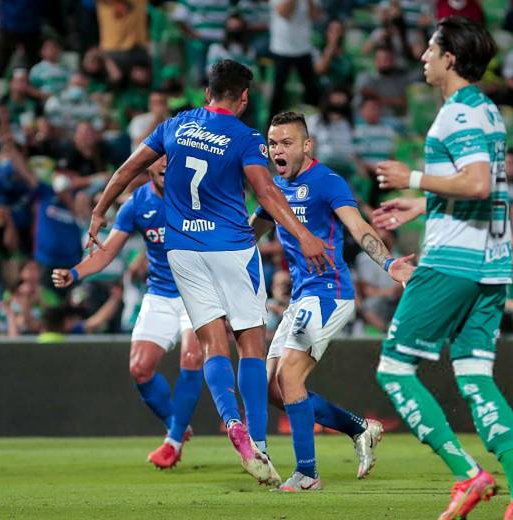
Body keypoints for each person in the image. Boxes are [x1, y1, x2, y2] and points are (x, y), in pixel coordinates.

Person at [85, 59, 331, 486]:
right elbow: (267, 191)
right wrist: (303, 235)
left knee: (212, 345)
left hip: (182, 252)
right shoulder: (244, 137)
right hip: (232, 249)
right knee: (250, 346)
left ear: (206, 93)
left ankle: (231, 423)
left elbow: (127, 169)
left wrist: (100, 209)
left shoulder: (174, 126)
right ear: (244, 98)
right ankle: (257, 441)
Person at [371, 17, 513, 519]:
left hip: (453, 261)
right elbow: (484, 186)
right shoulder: (487, 110)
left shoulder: (458, 115)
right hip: (492, 263)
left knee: (394, 369)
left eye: (431, 49)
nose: (424, 57)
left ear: (450, 58)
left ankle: (468, 475)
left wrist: (413, 176)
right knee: (474, 376)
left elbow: (477, 185)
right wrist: (421, 201)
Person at [250, 111, 413, 491]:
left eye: (287, 142)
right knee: (274, 388)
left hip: (330, 293)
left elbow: (358, 227)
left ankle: (307, 473)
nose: (278, 149)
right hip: (300, 297)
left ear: (307, 145)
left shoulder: (327, 181)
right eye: (273, 143)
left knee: (289, 375)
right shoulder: (273, 190)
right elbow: (247, 236)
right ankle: (360, 429)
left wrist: (389, 264)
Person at [52, 156, 203, 470]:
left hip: (199, 293)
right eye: (157, 157)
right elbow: (107, 250)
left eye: (169, 157)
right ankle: (177, 423)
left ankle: (172, 442)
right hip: (160, 293)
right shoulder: (137, 204)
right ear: (147, 165)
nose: (163, 164)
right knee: (140, 368)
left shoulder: (199, 195)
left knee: (192, 358)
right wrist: (76, 273)